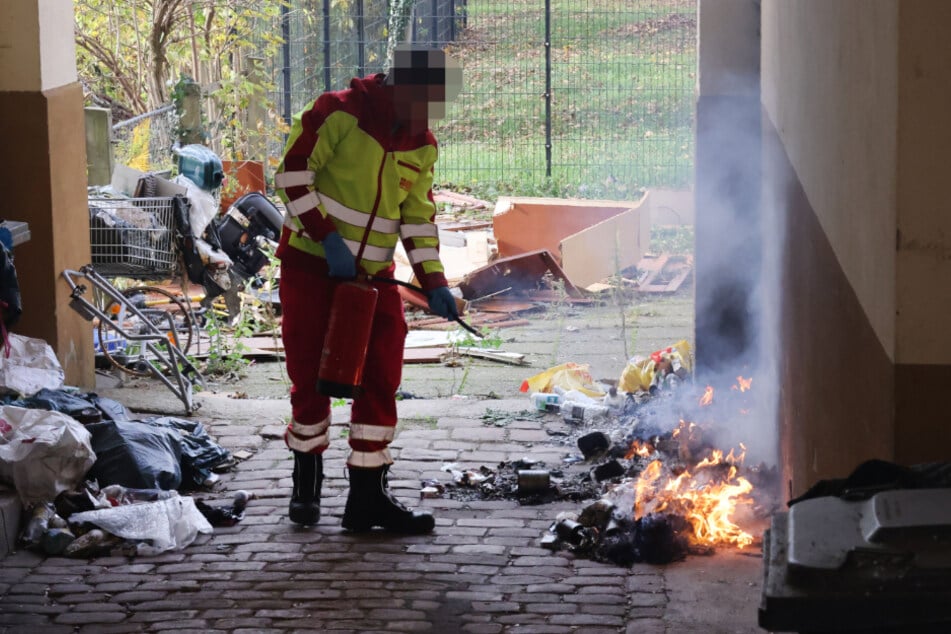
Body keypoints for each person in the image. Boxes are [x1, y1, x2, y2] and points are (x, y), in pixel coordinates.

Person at [273, 46, 462, 533]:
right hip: (313, 268)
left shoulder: (422, 144)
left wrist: (434, 283)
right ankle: (305, 486)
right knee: (311, 375)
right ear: (397, 88)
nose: (427, 116)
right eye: (423, 102)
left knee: (381, 377)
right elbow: (293, 175)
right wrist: (327, 238)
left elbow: (417, 218)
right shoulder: (336, 112)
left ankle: (367, 499)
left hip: (374, 281)